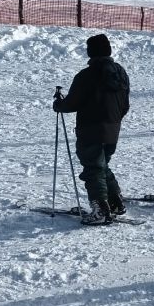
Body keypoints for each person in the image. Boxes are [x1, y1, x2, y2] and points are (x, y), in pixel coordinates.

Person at [52, 34, 130, 225]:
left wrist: (59, 105)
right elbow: (125, 104)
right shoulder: (120, 72)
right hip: (113, 128)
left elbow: (72, 103)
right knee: (102, 166)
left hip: (91, 128)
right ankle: (115, 202)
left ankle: (101, 210)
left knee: (94, 168)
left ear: (91, 52)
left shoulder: (87, 75)